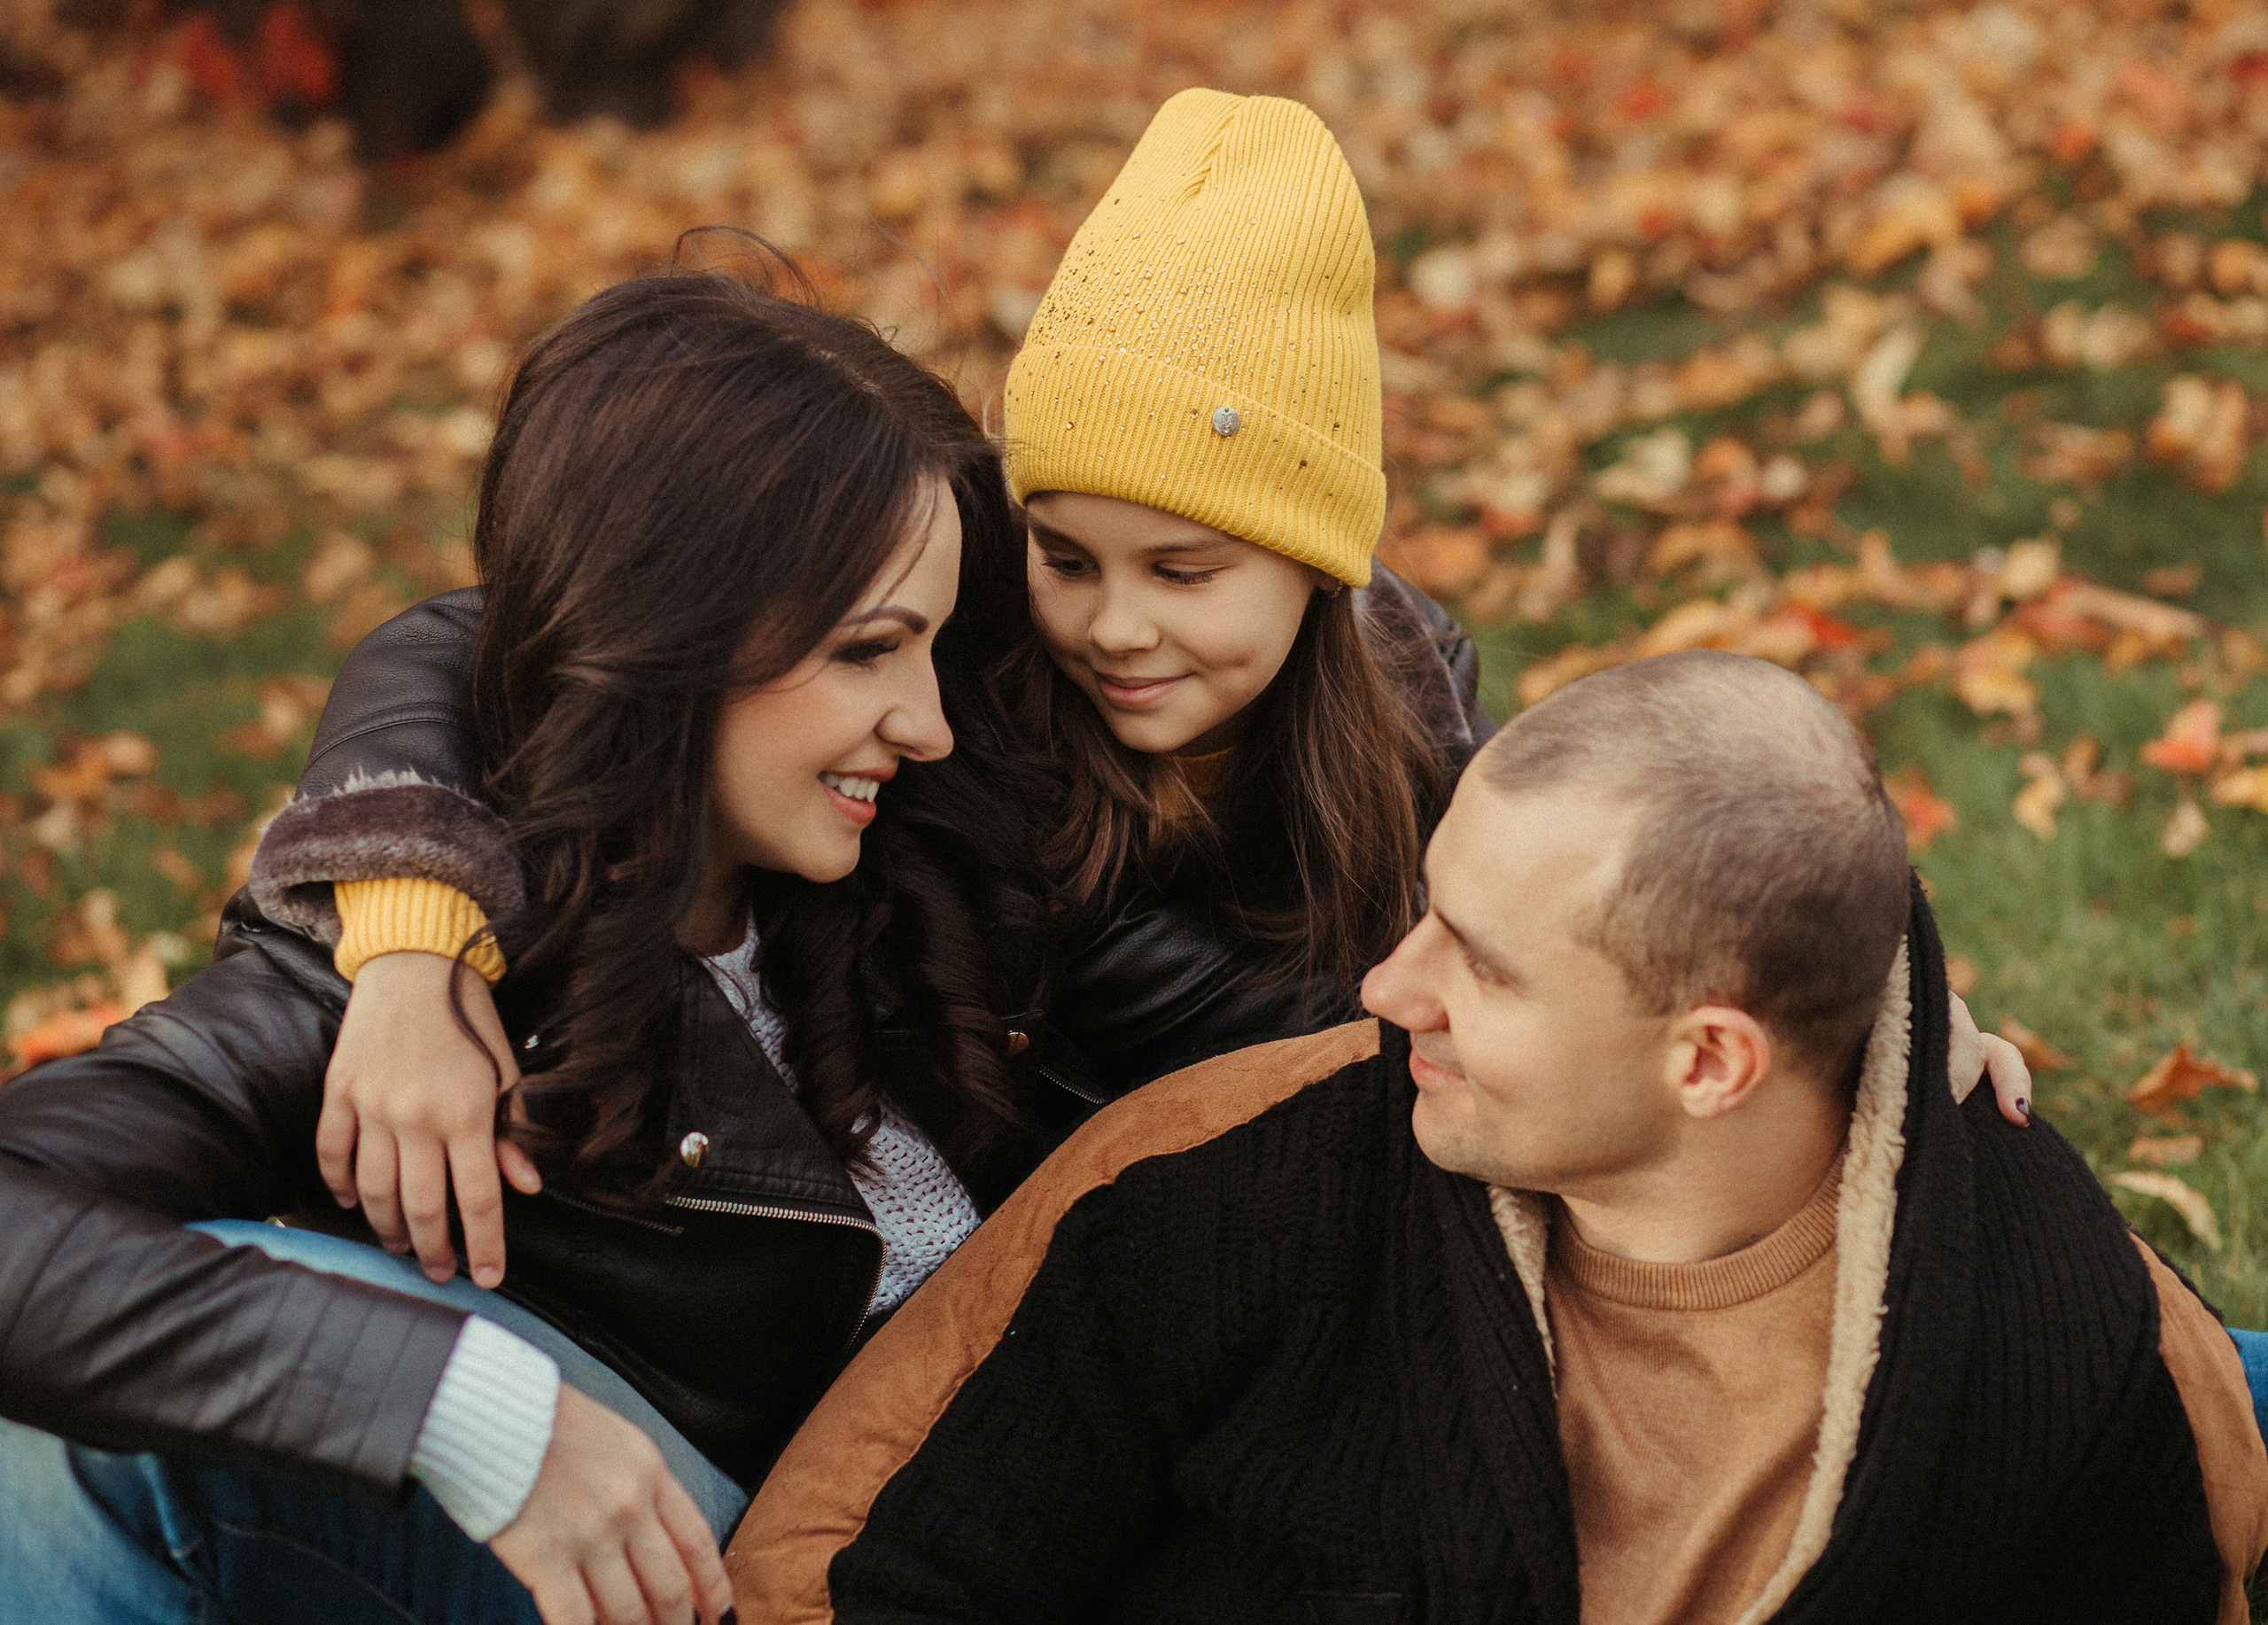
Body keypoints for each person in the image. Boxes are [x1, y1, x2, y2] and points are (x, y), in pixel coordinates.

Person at [241, 89, 2029, 1295]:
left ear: (1319, 569)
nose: (1111, 625)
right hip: (1101, 1274)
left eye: (1188, 572)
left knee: (1943, 1258)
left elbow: (1622, 869)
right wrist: (406, 935)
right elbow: (475, 639)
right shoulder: (944, 705)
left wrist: (1849, 1007)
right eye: (1066, 548)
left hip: (1384, 1210)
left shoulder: (1397, 711)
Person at [730, 649, 2268, 1625]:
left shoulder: (2069, 1356)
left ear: (1712, 1059)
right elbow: (831, 1564)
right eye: (1425, 912)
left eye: (1486, 960)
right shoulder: (1212, 1186)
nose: (1392, 988)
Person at [0, 265, 1045, 1625]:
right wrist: (474, 1412)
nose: (929, 721)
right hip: (706, 1571)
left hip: (1041, 1527)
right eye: (867, 651)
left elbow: (1249, 639)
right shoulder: (419, 992)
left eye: (932, 649)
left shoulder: (937, 854)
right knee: (119, 1401)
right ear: (672, 640)